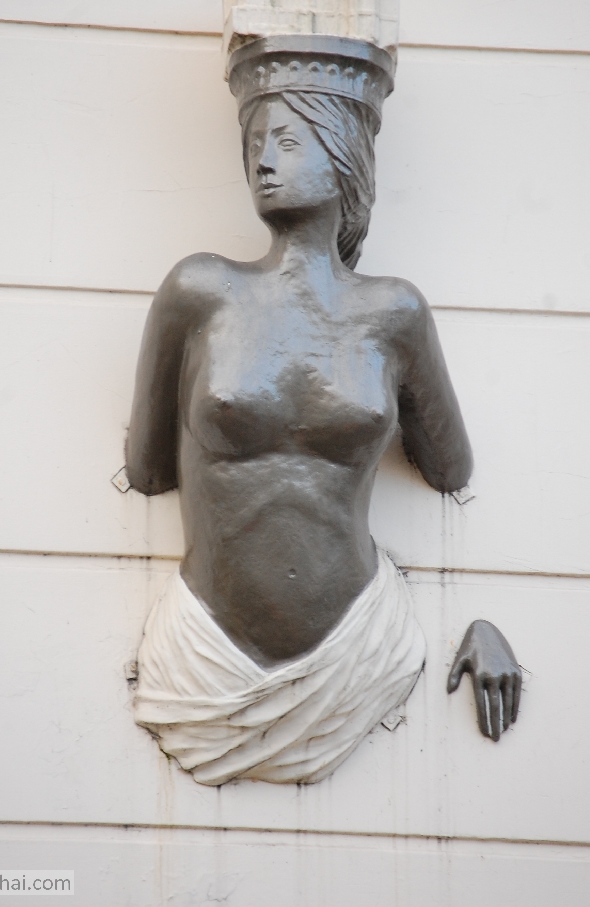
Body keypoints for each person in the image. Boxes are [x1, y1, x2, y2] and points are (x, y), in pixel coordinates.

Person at [126, 38, 520, 785]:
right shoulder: (199, 292)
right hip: (204, 657)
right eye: (253, 145)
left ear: (343, 156)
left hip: (359, 651)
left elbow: (449, 468)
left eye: (286, 141)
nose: (262, 162)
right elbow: (146, 469)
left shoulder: (393, 313)